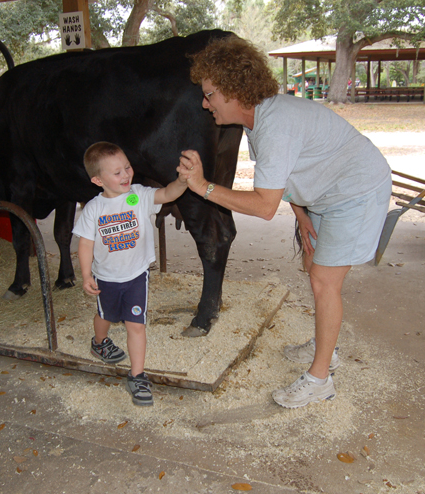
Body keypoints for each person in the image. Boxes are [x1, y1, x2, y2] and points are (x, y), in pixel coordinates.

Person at [177, 36, 392, 409]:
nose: (204, 102)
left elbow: (263, 206)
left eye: (210, 94)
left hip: (355, 190)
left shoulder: (274, 126)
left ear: (232, 91)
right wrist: (301, 212)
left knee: (325, 281)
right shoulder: (257, 120)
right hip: (326, 190)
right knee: (313, 267)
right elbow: (287, 174)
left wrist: (202, 187)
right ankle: (326, 346)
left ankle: (319, 379)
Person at [73, 142, 188, 406]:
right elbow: (85, 244)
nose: (125, 175)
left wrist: (182, 180)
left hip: (137, 275)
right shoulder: (93, 209)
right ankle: (99, 341)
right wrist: (86, 275)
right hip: (107, 277)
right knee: (106, 315)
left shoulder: (136, 196)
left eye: (127, 167)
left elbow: (168, 194)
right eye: (117, 172)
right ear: (97, 179)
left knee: (136, 325)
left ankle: (137, 375)